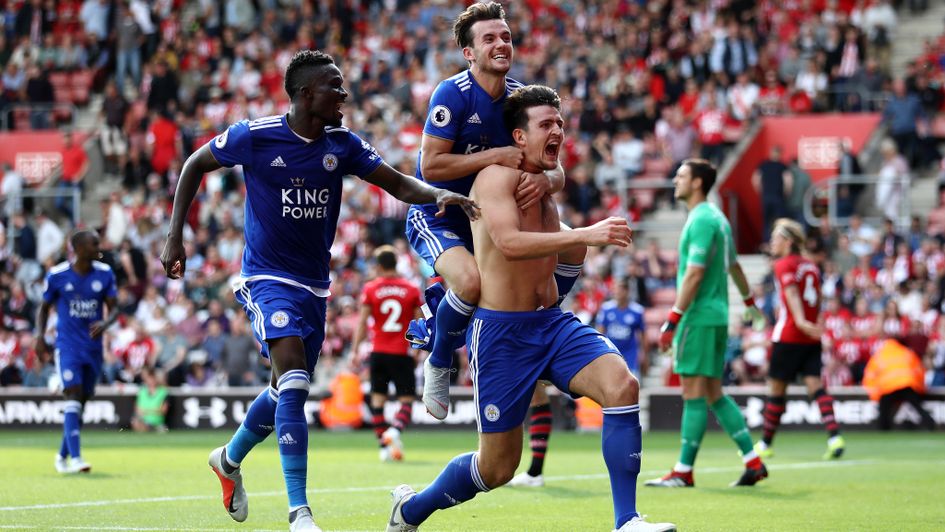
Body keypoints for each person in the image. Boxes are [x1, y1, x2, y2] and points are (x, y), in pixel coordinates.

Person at [159, 50, 478, 532]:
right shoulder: (255, 135)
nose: (344, 95)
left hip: (315, 286)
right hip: (265, 277)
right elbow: (193, 165)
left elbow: (395, 184)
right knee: (294, 382)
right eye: (336, 87)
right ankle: (299, 513)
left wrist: (439, 194)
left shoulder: (342, 144)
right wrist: (174, 235)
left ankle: (228, 459)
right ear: (307, 94)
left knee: (283, 390)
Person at [386, 85, 674, 532]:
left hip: (551, 325)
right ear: (519, 137)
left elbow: (566, 251)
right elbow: (509, 243)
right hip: (501, 334)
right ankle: (411, 510)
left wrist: (560, 282)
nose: (557, 130)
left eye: (559, 123)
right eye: (546, 124)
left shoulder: (545, 180)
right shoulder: (494, 178)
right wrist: (584, 234)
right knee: (497, 469)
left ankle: (628, 519)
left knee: (622, 387)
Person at [404, 2, 585, 421]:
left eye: (505, 36)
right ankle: (440, 359)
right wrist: (495, 155)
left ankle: (544, 315)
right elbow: (430, 165)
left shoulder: (521, 100)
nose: (501, 43)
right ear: (469, 53)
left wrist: (546, 180)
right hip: (440, 214)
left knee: (575, 248)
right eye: (489, 38)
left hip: (489, 218)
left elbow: (555, 168)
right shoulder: (453, 94)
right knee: (469, 283)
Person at [645, 159, 769, 488]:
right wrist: (749, 303)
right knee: (715, 393)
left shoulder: (700, 220)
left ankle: (684, 471)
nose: (675, 180)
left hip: (697, 317)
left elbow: (695, 273)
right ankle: (752, 461)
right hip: (718, 315)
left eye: (682, 176)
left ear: (698, 183)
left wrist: (672, 318)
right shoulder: (719, 219)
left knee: (693, 393)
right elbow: (735, 266)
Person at [753, 219, 845, 460]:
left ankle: (765, 443)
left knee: (776, 388)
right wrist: (815, 326)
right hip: (811, 337)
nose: (772, 243)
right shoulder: (812, 266)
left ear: (788, 241)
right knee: (816, 386)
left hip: (791, 333)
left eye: (776, 238)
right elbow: (819, 300)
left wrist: (802, 322)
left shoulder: (784, 264)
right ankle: (835, 437)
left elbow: (792, 293)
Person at [35, 230, 121, 475]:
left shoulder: (104, 274)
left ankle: (62, 455)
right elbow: (43, 308)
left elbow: (115, 308)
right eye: (93, 243)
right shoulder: (57, 275)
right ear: (78, 247)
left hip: (93, 348)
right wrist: (39, 336)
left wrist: (106, 323)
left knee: (82, 400)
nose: (98, 247)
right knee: (72, 394)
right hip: (68, 346)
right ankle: (76, 457)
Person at [351, 245, 423, 462]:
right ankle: (396, 430)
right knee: (407, 400)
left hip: (378, 352)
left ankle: (384, 446)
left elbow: (363, 323)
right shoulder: (411, 289)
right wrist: (418, 349)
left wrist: (355, 350)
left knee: (377, 401)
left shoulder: (371, 289)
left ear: (380, 265)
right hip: (401, 352)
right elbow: (418, 321)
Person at [863, 336, 936, 430]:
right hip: (907, 384)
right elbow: (919, 370)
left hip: (888, 387)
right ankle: (930, 424)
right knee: (917, 406)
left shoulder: (879, 355)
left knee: (883, 410)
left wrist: (875, 396)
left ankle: (883, 429)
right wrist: (920, 389)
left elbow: (869, 375)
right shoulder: (907, 352)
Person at [131, 367, 169, 432]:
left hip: (156, 422)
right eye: (149, 378)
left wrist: (146, 411)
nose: (151, 381)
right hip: (143, 421)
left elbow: (163, 411)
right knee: (136, 422)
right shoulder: (142, 391)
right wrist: (153, 411)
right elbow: (137, 410)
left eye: (153, 378)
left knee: (141, 424)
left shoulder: (163, 392)